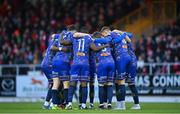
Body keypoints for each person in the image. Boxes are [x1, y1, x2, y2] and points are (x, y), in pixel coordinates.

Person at [63, 28, 109, 110]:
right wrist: (105, 45)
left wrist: (61, 35)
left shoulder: (74, 37)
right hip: (85, 64)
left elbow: (63, 43)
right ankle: (84, 105)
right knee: (84, 84)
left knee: (72, 83)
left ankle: (69, 103)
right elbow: (95, 48)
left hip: (76, 63)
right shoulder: (89, 38)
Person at [41, 34, 62, 109]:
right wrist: (61, 49)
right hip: (49, 64)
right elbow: (53, 48)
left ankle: (48, 103)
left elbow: (53, 35)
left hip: (45, 63)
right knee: (56, 83)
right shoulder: (57, 41)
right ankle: (51, 103)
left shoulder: (52, 40)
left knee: (54, 83)